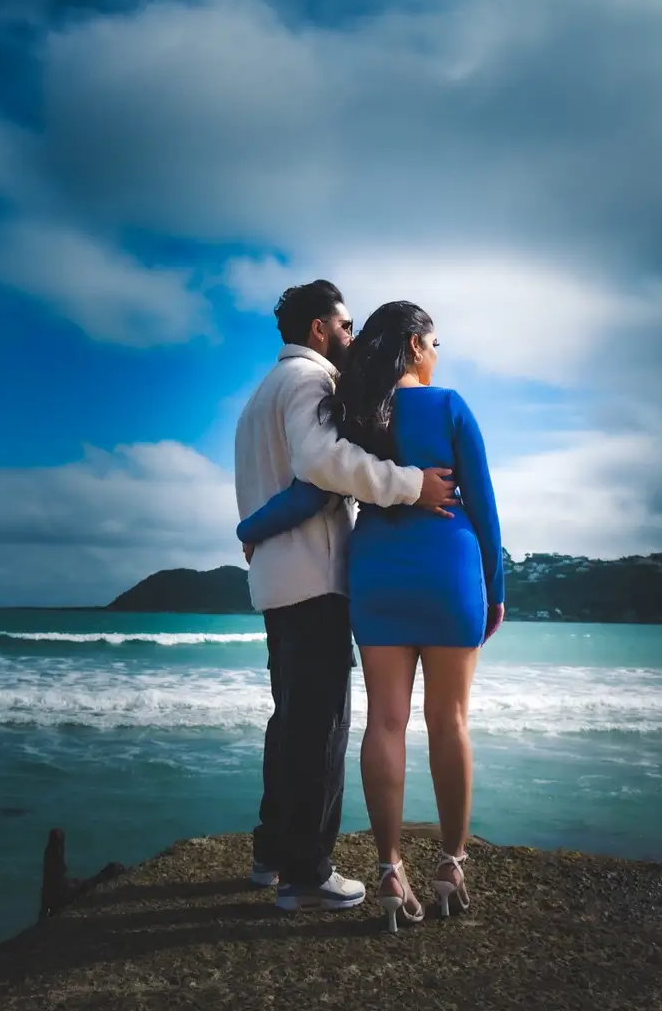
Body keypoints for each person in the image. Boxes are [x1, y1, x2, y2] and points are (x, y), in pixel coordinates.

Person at [237, 301, 503, 932]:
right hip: (448, 569)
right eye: (434, 340)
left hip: (376, 573)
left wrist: (251, 526)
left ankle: (388, 870)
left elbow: (312, 487)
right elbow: (486, 509)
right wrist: (496, 588)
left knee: (382, 723)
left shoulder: (358, 415)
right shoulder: (451, 407)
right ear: (413, 345)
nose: (438, 353)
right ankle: (450, 865)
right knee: (450, 721)